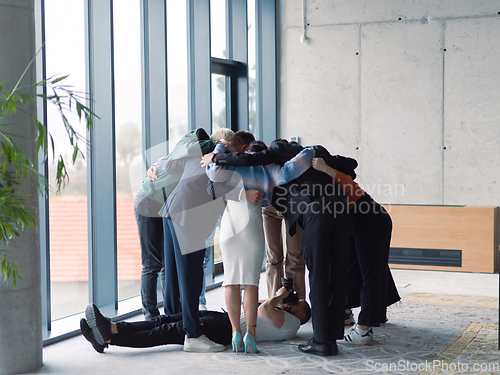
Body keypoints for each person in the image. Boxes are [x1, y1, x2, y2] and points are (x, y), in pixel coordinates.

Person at [202, 139, 358, 356]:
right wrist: (308, 150)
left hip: (236, 228)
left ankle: (238, 331)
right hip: (334, 213)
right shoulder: (277, 170)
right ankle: (256, 335)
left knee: (232, 281)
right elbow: (306, 166)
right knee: (253, 283)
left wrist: (218, 149)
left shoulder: (232, 169)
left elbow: (213, 178)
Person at [135, 128, 233, 319]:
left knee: (166, 263)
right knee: (151, 264)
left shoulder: (207, 161)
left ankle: (171, 314)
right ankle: (151, 316)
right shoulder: (196, 146)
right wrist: (156, 164)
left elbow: (170, 163)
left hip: (167, 206)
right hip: (149, 201)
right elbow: (174, 159)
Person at [310, 157, 401, 345]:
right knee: (352, 267)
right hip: (359, 222)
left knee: (371, 273)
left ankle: (365, 329)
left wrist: (325, 168)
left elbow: (346, 181)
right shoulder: (323, 183)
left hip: (371, 220)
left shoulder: (337, 178)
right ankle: (352, 311)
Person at [81, 287, 311, 353]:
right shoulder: (286, 316)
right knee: (165, 320)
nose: (291, 303)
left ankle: (108, 339)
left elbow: (265, 309)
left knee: (169, 332)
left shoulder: (291, 325)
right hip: (223, 318)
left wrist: (280, 297)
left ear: (301, 315)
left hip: (225, 330)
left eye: (296, 304)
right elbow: (251, 305)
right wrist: (278, 300)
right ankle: (111, 327)